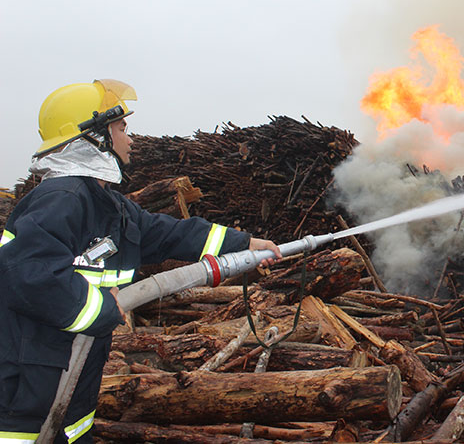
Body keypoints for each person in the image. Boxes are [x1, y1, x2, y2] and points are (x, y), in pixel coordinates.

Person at [0, 79, 281, 443]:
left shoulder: (109, 207)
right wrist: (103, 307)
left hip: (73, 366)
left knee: (75, 431)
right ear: (94, 137)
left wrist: (244, 243)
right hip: (32, 373)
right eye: (121, 128)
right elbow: (29, 275)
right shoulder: (63, 199)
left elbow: (168, 233)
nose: (130, 138)